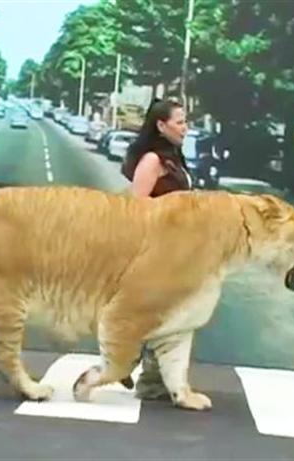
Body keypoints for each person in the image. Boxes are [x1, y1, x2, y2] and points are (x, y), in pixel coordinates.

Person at [120, 97, 193, 400]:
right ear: (161, 125)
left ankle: (145, 373)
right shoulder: (152, 160)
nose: (185, 128)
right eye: (180, 122)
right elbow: (137, 205)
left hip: (176, 249)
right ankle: (132, 365)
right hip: (157, 249)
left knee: (168, 315)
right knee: (166, 315)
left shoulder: (173, 158)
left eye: (185, 121)